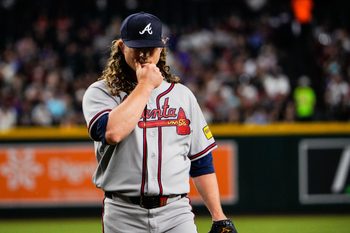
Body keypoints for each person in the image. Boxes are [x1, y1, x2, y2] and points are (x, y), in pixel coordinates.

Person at [82, 12, 238, 233]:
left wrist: (218, 215)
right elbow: (112, 133)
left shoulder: (182, 95)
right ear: (121, 46)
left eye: (151, 48)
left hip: (176, 212)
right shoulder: (101, 92)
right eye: (138, 48)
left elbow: (201, 160)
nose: (145, 55)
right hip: (123, 213)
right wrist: (145, 85)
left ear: (162, 47)